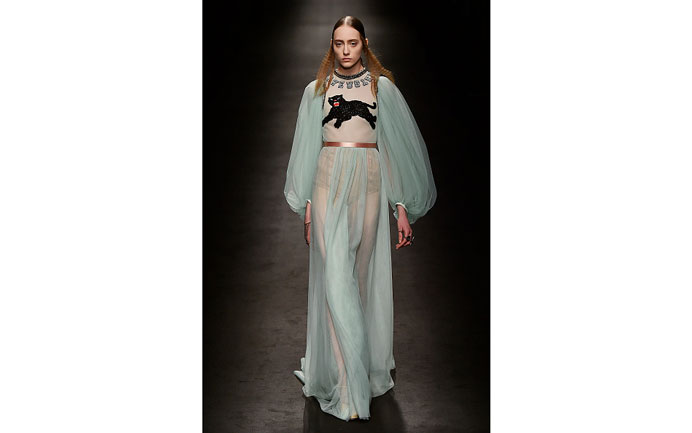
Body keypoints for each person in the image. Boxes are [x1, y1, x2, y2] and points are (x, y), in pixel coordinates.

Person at [283, 15, 437, 422]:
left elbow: (394, 150)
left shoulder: (380, 88)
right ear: (331, 46)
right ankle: (347, 387)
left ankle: (355, 371)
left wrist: (400, 207)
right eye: (339, 43)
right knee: (335, 280)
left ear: (364, 44)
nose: (346, 50)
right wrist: (308, 206)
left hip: (368, 182)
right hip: (327, 181)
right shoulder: (316, 91)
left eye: (352, 43)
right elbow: (307, 149)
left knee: (360, 281)